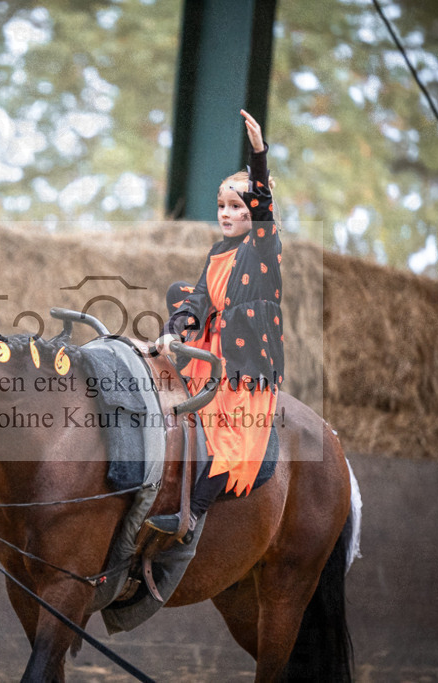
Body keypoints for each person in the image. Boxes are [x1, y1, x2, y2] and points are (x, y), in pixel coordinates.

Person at [149, 110, 282, 540]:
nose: (226, 214)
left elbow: (263, 209)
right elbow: (200, 300)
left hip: (242, 369)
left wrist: (257, 154)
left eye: (236, 207)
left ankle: (190, 517)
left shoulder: (264, 246)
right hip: (209, 357)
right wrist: (176, 330)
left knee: (227, 450)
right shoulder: (217, 251)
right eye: (222, 206)